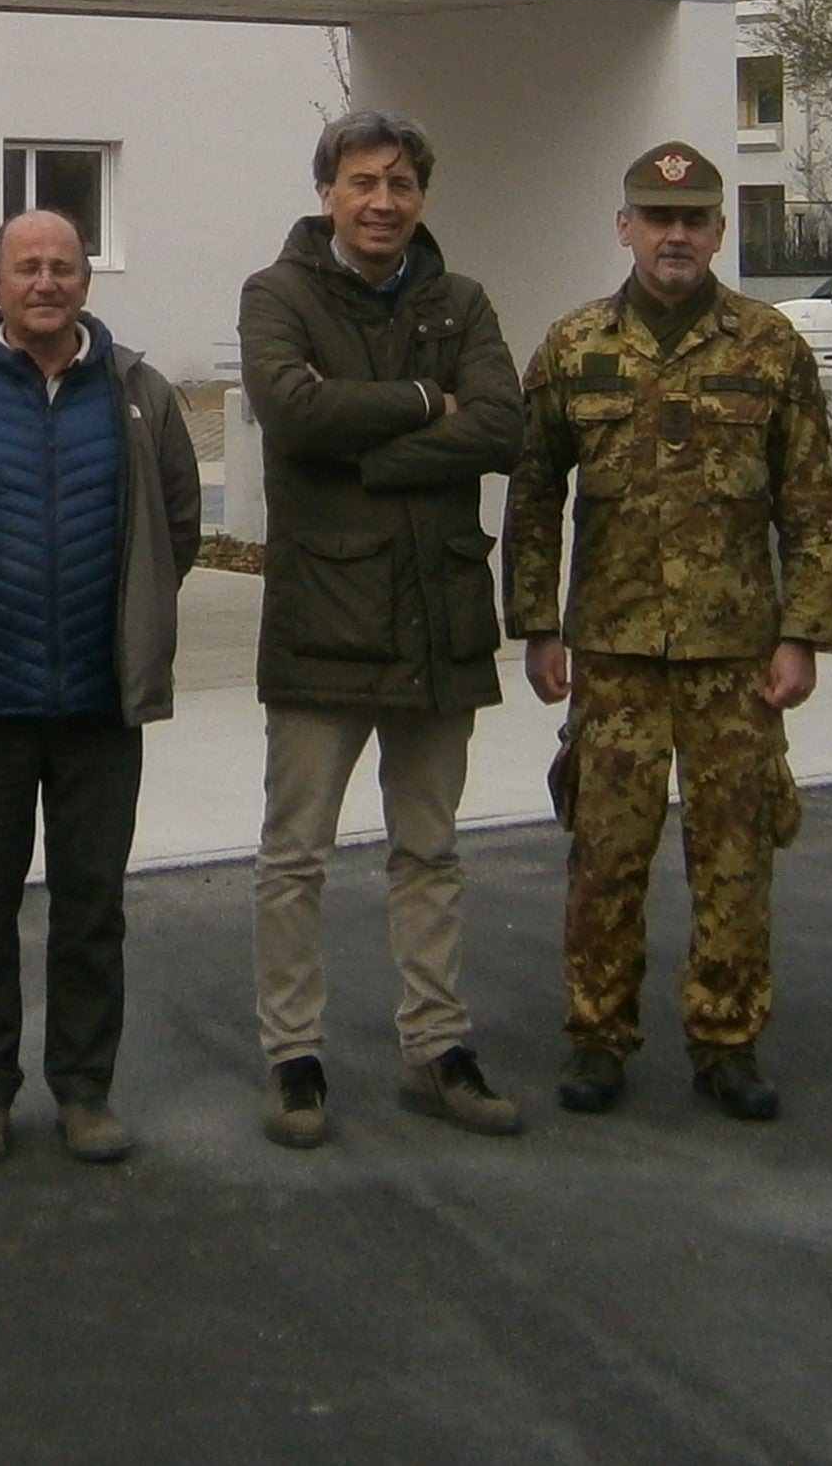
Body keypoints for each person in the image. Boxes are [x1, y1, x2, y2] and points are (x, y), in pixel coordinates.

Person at [503, 141, 832, 1125]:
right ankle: (597, 1034)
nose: (674, 234)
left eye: (692, 219)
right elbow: (533, 494)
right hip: (613, 651)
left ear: (720, 230)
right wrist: (536, 624)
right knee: (605, 854)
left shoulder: (770, 346)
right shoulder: (573, 346)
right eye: (656, 217)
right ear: (626, 227)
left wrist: (803, 632)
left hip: (735, 656)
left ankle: (726, 1040)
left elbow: (811, 499)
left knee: (735, 854)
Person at [0, 209, 204, 1165]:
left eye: (63, 265)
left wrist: (132, 620)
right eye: (27, 267)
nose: (46, 281)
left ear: (86, 283)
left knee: (92, 910)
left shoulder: (140, 394)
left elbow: (176, 528)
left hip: (102, 705)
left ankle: (85, 1092)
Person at [241, 112, 527, 1150]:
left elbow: (503, 425)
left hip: (438, 620)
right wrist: (423, 400)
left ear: (421, 196)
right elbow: (292, 414)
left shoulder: (463, 301)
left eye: (401, 183)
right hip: (324, 619)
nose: (382, 201)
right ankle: (293, 1056)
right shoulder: (277, 295)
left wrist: (369, 448)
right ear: (327, 192)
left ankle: (437, 1048)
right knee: (295, 856)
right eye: (362, 181)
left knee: (430, 850)